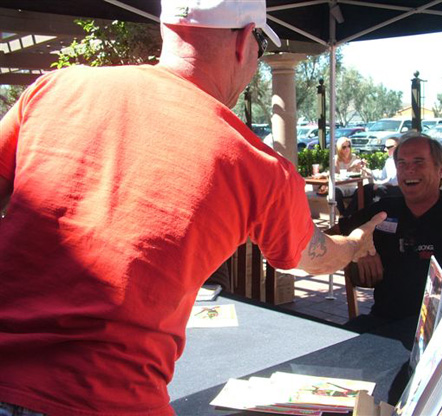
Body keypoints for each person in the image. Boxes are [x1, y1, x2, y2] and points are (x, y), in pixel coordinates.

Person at [0, 1, 385, 415]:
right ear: (244, 42)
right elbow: (314, 257)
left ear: (166, 27)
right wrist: (355, 243)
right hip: (109, 400)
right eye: (259, 45)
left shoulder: (55, 89)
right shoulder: (256, 165)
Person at [337, 133, 442, 324]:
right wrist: (357, 250)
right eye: (402, 163)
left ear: (441, 170)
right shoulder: (384, 210)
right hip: (383, 322)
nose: (409, 170)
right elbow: (331, 237)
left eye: (418, 162)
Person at [344, 136, 401, 216]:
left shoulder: (399, 160)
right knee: (362, 190)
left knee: (366, 190)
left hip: (396, 189)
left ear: (396, 147)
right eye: (384, 147)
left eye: (388, 147)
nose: (385, 149)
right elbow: (382, 175)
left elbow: (394, 181)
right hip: (388, 187)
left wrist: (378, 184)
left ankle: (351, 216)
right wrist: (366, 170)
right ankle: (354, 215)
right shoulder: (389, 160)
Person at [333, 136, 366, 216]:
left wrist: (361, 167)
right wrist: (352, 167)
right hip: (341, 186)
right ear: (339, 148)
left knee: (362, 192)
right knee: (334, 192)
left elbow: (360, 174)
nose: (347, 149)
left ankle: (346, 215)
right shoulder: (336, 159)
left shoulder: (354, 157)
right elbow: (339, 175)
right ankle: (343, 214)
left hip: (353, 185)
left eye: (349, 146)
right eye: (344, 147)